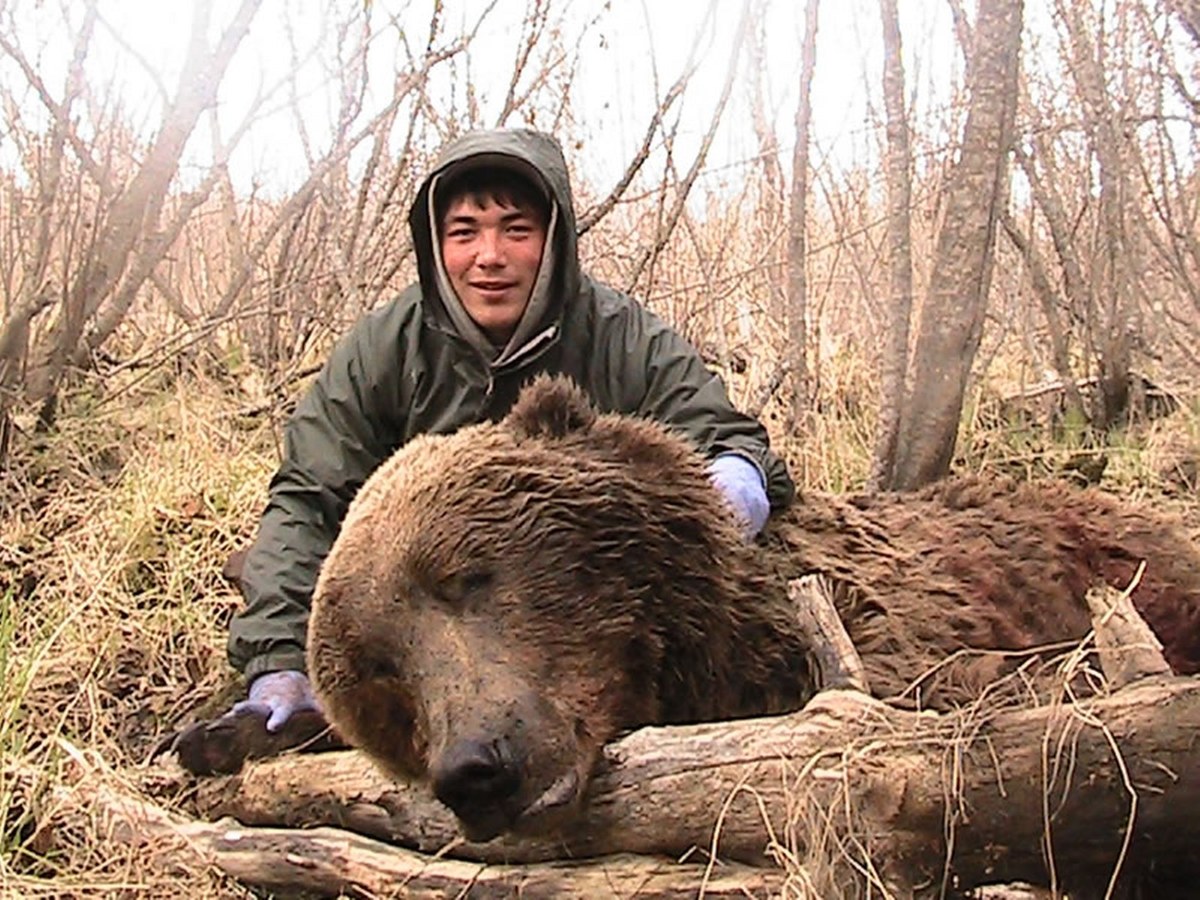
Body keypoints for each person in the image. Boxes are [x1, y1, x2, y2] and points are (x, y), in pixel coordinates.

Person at [225, 128, 795, 733]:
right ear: (437, 245)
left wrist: (728, 494)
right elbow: (306, 503)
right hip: (426, 624)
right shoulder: (384, 350)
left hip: (568, 625)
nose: (488, 256)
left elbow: (727, 441)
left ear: (552, 239)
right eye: (464, 232)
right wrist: (279, 662)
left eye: (515, 230)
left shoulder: (622, 337)